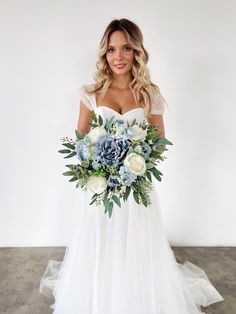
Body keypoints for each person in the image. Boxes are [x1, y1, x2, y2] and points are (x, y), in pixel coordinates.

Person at [39, 18, 224, 313]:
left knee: (136, 244)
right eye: (112, 50)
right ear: (104, 54)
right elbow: (81, 140)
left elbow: (160, 140)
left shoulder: (149, 93)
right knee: (102, 242)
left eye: (126, 48)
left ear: (137, 51)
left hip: (136, 189)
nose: (118, 56)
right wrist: (102, 169)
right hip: (100, 189)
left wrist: (135, 166)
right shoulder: (91, 93)